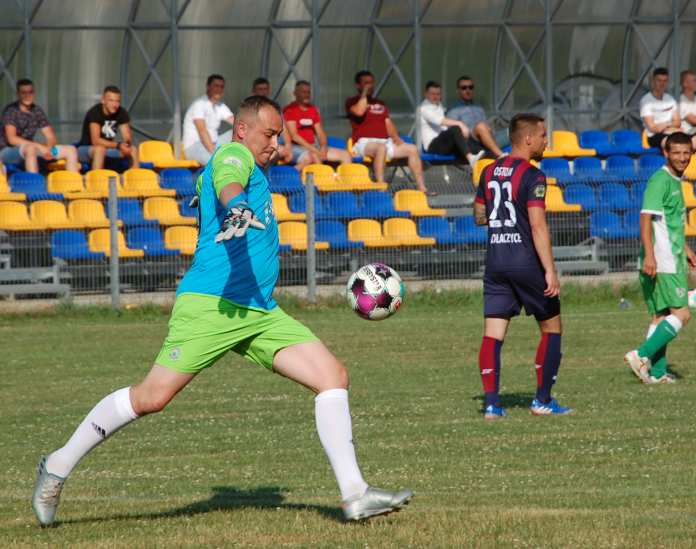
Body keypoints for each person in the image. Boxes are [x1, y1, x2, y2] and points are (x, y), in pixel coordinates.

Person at [31, 95, 413, 527]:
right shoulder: (233, 154)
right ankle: (57, 466)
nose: (274, 144)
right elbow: (227, 181)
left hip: (258, 311)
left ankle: (355, 494)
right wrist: (236, 206)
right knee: (151, 397)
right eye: (269, 134)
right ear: (243, 130)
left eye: (279, 137)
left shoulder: (255, 169)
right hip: (212, 305)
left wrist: (239, 206)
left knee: (332, 376)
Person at [473, 113, 571, 419]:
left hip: (496, 262)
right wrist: (550, 271)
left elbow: (479, 216)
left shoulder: (487, 172)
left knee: (493, 334)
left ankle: (491, 405)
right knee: (551, 328)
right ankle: (542, 400)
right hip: (526, 261)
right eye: (543, 135)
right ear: (527, 139)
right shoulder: (533, 176)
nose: (546, 141)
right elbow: (538, 226)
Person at [625, 131, 696, 385]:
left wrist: (686, 247)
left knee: (660, 315)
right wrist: (650, 255)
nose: (682, 157)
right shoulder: (660, 180)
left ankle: (656, 374)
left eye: (686, 153)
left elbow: (668, 222)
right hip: (663, 260)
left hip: (669, 256)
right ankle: (641, 354)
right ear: (666, 154)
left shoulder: (675, 180)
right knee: (682, 314)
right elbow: (645, 217)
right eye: (676, 153)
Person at [345, 70, 430, 193]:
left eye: (371, 83)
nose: (370, 86)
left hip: (385, 141)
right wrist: (364, 94)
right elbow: (359, 112)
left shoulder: (380, 103)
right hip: (364, 143)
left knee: (412, 149)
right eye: (366, 83)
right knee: (381, 148)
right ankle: (381, 187)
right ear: (358, 85)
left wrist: (396, 139)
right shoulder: (352, 101)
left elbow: (388, 123)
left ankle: (422, 187)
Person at [0, 79, 80, 173]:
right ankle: (34, 183)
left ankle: (73, 183)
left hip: (34, 148)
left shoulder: (37, 110)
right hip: (7, 151)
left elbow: (50, 136)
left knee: (70, 150)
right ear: (18, 94)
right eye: (23, 93)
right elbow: (12, 139)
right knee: (31, 149)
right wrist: (39, 146)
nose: (27, 96)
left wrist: (49, 149)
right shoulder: (11, 110)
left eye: (30, 92)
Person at [640, 67, 696, 157]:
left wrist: (667, 126)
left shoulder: (670, 99)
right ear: (653, 82)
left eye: (665, 81)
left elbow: (677, 122)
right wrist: (669, 125)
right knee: (676, 146)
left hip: (674, 133)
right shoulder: (646, 101)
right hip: (655, 136)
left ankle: (690, 165)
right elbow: (653, 128)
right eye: (659, 81)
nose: (662, 84)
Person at [283, 80, 352, 170]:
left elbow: (320, 133)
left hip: (314, 146)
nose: (307, 95)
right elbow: (294, 136)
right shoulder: (290, 110)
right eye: (303, 92)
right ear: (295, 93)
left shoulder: (313, 110)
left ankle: (345, 182)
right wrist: (314, 149)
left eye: (308, 92)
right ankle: (324, 180)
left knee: (345, 155)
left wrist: (323, 146)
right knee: (314, 156)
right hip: (297, 147)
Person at [419, 80, 484, 167]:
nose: (435, 96)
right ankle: (471, 158)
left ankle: (490, 158)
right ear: (426, 94)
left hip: (445, 145)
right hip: (433, 148)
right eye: (432, 94)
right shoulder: (424, 108)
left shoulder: (439, 106)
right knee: (455, 128)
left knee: (475, 146)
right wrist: (461, 124)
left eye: (438, 94)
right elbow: (441, 121)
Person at [78, 85, 139, 170]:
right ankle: (98, 181)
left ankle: (134, 180)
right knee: (100, 150)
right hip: (86, 149)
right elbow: (95, 141)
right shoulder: (94, 113)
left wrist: (127, 145)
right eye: (111, 100)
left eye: (117, 101)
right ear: (103, 100)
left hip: (109, 149)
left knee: (133, 150)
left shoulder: (121, 113)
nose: (115, 104)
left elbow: (127, 137)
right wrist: (118, 145)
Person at [448, 76, 505, 158]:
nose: (468, 91)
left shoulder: (479, 108)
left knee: (514, 129)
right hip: (471, 142)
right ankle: (501, 156)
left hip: (488, 137)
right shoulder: (454, 110)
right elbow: (453, 132)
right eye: (464, 88)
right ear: (458, 91)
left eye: (470, 87)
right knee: (480, 126)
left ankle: (523, 163)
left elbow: (487, 126)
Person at [182, 74, 235, 164]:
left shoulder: (221, 106)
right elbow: (202, 131)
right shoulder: (199, 104)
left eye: (221, 87)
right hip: (194, 146)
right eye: (216, 86)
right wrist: (214, 154)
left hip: (213, 144)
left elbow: (236, 122)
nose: (219, 89)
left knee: (239, 130)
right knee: (216, 163)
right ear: (208, 86)